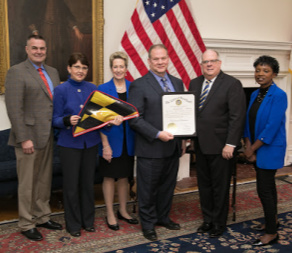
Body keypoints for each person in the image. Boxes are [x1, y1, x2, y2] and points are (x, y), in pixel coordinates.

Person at [52, 52, 123, 237]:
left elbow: (99, 119)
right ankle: (73, 224)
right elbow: (54, 119)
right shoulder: (61, 90)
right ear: (69, 69)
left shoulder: (93, 89)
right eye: (76, 67)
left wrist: (109, 122)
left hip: (90, 143)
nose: (80, 71)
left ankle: (88, 221)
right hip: (69, 144)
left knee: (87, 184)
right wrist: (67, 120)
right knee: (71, 185)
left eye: (84, 67)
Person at [4, 34, 62, 241]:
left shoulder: (53, 72)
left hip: (48, 136)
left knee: (44, 180)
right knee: (28, 183)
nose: (39, 51)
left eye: (42, 48)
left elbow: (55, 103)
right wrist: (23, 138)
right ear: (27, 49)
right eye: (35, 48)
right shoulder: (16, 72)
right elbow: (14, 109)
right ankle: (26, 223)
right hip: (28, 137)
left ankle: (42, 216)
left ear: (46, 50)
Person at [128, 44, 186, 241]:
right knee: (148, 189)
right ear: (149, 61)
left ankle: (163, 217)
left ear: (168, 59)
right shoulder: (139, 85)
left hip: (173, 147)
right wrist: (157, 134)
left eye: (163, 58)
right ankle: (148, 224)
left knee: (167, 186)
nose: (160, 62)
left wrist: (184, 138)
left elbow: (182, 115)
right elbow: (135, 119)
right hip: (150, 146)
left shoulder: (178, 83)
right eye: (156, 59)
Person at [189, 49, 246, 238]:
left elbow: (237, 117)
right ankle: (207, 220)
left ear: (219, 63)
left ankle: (219, 223)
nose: (209, 64)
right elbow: (190, 113)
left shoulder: (232, 84)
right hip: (201, 145)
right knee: (204, 185)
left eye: (213, 61)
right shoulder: (195, 83)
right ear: (202, 64)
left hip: (222, 147)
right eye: (206, 61)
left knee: (220, 186)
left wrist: (231, 143)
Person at [244, 56, 287, 246]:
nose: (260, 74)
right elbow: (248, 121)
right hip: (254, 147)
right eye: (258, 70)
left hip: (269, 149)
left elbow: (271, 127)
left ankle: (271, 233)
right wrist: (247, 145)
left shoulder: (279, 95)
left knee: (265, 190)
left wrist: (252, 149)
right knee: (268, 188)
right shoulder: (255, 94)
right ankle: (274, 221)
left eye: (266, 71)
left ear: (274, 74)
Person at [97, 52, 138, 230]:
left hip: (129, 141)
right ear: (111, 68)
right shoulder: (103, 89)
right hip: (110, 141)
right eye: (115, 66)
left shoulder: (134, 87)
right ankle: (110, 213)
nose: (119, 70)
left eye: (122, 66)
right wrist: (105, 145)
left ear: (126, 68)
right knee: (109, 177)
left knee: (124, 177)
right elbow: (98, 120)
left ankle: (123, 210)